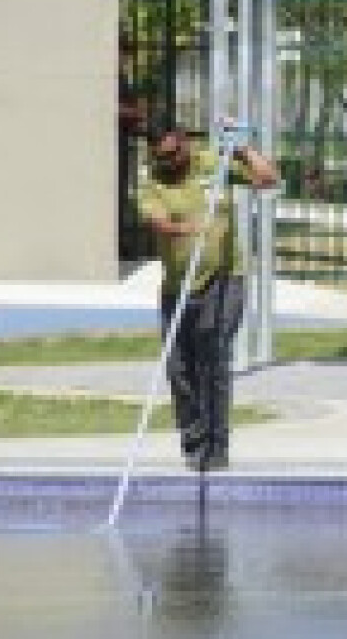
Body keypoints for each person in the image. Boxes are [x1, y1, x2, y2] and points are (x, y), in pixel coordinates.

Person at [137, 120, 280, 471]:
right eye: (162, 157)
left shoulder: (213, 163)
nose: (169, 162)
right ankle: (194, 439)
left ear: (185, 143)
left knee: (212, 354)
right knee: (178, 367)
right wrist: (187, 229)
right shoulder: (153, 182)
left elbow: (268, 179)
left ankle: (216, 448)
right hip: (179, 285)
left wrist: (243, 147)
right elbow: (157, 223)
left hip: (225, 278)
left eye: (174, 153)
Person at [118, 31, 146, 260]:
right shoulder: (108, 76)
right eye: (125, 52)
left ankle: (121, 242)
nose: (126, 58)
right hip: (113, 145)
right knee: (115, 195)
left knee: (121, 193)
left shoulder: (121, 76)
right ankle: (118, 244)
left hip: (122, 142)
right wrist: (134, 111)